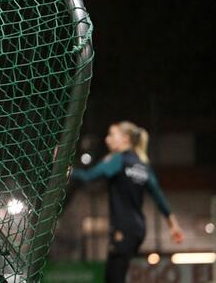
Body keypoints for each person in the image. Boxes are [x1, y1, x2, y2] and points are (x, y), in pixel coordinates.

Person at [71, 121, 184, 283]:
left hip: (123, 229)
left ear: (124, 139)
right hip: (138, 229)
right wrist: (173, 225)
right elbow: (158, 195)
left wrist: (66, 170)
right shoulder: (142, 163)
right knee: (116, 275)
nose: (107, 139)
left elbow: (89, 177)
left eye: (111, 135)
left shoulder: (118, 160)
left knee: (114, 277)